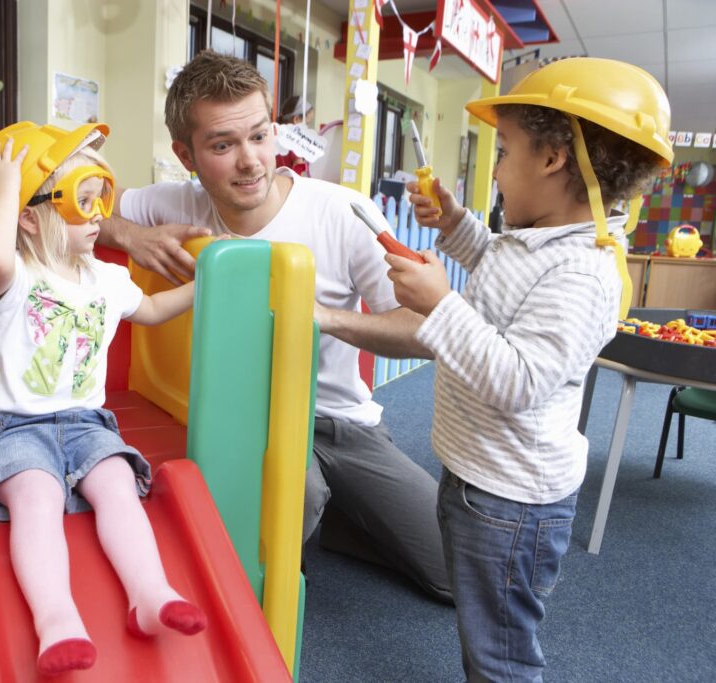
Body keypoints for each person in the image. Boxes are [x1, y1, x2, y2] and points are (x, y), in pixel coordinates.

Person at [319, 57, 672, 680]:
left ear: (554, 158)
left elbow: (519, 382)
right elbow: (499, 274)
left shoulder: (582, 272)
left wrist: (439, 304)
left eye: (504, 151)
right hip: (481, 477)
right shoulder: (535, 239)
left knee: (500, 652)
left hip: (514, 501)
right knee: (483, 622)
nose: (498, 169)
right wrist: (455, 226)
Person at [99, 49, 452, 603]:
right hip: (244, 422)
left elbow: (426, 331)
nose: (251, 161)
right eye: (222, 145)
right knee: (289, 517)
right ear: (185, 154)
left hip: (340, 422)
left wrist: (322, 317)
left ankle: (329, 515)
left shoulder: (344, 213)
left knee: (452, 575)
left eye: (260, 136)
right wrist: (127, 234)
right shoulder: (169, 202)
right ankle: (305, 522)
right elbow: (63, 210)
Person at [0, 121, 206, 676]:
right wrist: (5, 190)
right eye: (82, 201)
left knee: (118, 485)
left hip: (88, 422)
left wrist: (210, 280)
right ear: (29, 214)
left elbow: (154, 311)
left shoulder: (106, 279)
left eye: (102, 198)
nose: (99, 215)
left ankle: (150, 594)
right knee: (37, 496)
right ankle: (57, 619)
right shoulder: (16, 275)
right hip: (14, 427)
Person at [275, 94, 315, 176]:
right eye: (307, 124)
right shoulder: (294, 142)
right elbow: (298, 172)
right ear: (296, 119)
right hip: (289, 186)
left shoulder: (275, 136)